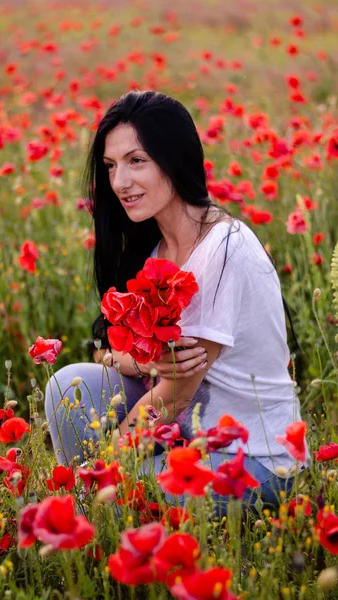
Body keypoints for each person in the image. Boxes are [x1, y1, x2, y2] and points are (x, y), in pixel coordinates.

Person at [45, 90, 310, 516]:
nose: (119, 183)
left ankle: (86, 508)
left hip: (251, 459)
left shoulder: (224, 250)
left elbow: (171, 399)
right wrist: (147, 363)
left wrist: (103, 477)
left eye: (136, 161)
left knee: (114, 499)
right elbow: (113, 352)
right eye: (111, 166)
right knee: (69, 384)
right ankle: (94, 505)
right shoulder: (157, 254)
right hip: (188, 438)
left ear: (174, 159)